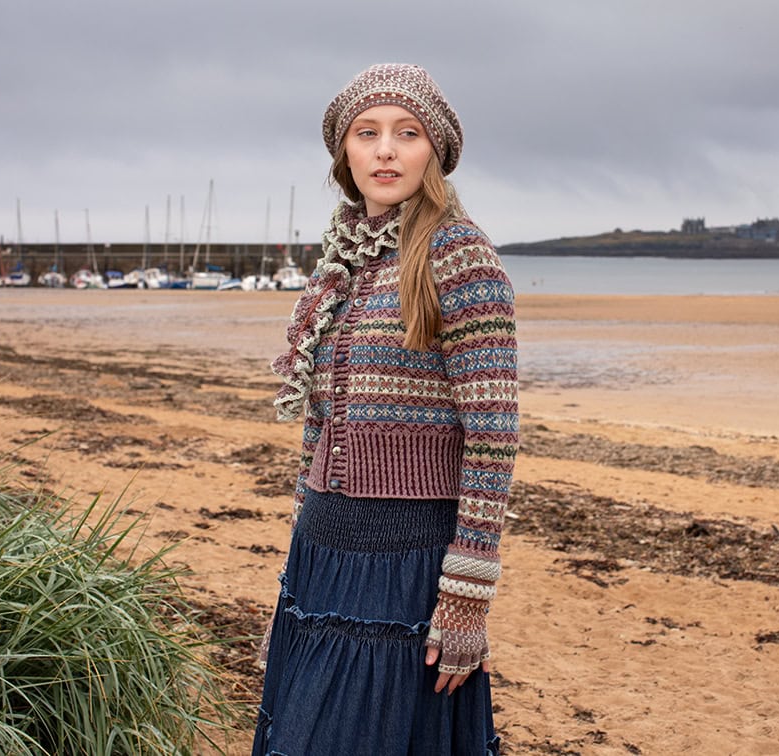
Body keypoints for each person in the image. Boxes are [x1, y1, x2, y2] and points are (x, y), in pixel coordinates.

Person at [252, 63, 518, 755]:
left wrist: (467, 593)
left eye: (407, 133)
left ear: (436, 151)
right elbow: (321, 426)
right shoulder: (341, 264)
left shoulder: (460, 257)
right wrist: (296, 553)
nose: (386, 150)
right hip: (321, 552)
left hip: (404, 566)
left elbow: (492, 438)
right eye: (366, 134)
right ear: (345, 153)